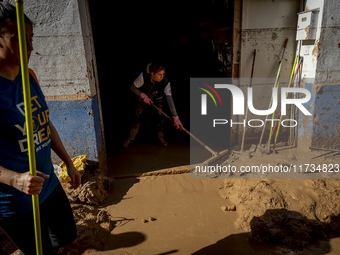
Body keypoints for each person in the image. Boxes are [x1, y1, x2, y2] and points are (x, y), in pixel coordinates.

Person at [0, 3, 81, 254]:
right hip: (17, 199)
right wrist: (15, 179)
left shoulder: (30, 76)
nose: (30, 47)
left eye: (31, 38)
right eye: (17, 39)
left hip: (49, 185)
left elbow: (45, 123)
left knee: (65, 237)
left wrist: (67, 161)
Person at [123, 62, 182, 147]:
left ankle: (161, 138)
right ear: (152, 74)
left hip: (157, 99)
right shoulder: (143, 76)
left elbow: (169, 99)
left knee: (160, 119)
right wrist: (142, 95)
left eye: (163, 74)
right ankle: (131, 138)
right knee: (137, 117)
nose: (162, 77)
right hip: (143, 99)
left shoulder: (165, 82)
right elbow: (133, 87)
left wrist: (175, 117)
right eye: (159, 75)